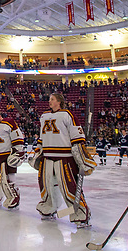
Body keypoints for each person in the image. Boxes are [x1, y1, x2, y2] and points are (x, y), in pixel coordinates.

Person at [35, 93, 96, 227]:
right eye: (49, 99)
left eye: (52, 99)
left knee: (69, 188)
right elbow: (41, 137)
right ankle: (49, 208)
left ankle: (80, 214)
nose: (49, 101)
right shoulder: (44, 116)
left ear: (59, 102)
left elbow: (77, 137)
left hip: (65, 158)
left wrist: (81, 156)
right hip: (47, 157)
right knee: (47, 186)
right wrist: (37, 151)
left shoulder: (67, 115)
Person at [0, 110, 25, 209]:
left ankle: (14, 197)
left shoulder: (9, 123)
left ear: (0, 116)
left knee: (8, 178)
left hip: (7, 155)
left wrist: (18, 151)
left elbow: (17, 138)